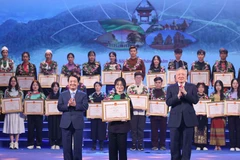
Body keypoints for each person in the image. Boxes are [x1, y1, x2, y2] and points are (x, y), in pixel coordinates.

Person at [166, 68, 199, 160]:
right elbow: (168, 102)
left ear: (186, 76)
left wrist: (185, 93)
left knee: (187, 144)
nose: (181, 76)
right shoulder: (171, 88)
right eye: (179, 75)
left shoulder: (192, 87)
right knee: (174, 144)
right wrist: (177, 97)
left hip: (188, 119)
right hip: (175, 120)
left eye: (183, 75)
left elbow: (195, 100)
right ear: (176, 77)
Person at [57, 75, 88, 160]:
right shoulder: (63, 94)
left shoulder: (83, 94)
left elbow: (85, 107)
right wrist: (67, 105)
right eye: (71, 81)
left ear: (78, 83)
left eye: (74, 81)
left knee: (78, 147)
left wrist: (75, 105)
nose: (72, 83)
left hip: (78, 123)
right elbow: (59, 107)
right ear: (68, 83)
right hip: (65, 123)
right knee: (66, 147)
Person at [107, 77, 133, 160]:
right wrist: (107, 117)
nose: (119, 86)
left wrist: (127, 118)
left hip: (122, 127)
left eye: (121, 85)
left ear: (124, 86)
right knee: (112, 150)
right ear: (115, 86)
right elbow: (105, 110)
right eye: (117, 85)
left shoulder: (127, 98)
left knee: (122, 150)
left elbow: (131, 112)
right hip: (112, 127)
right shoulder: (110, 97)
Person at [127, 72, 148, 151]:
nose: (138, 79)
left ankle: (140, 144)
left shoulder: (145, 88)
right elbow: (128, 99)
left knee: (140, 129)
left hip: (142, 112)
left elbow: (147, 100)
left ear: (142, 78)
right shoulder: (130, 88)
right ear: (134, 78)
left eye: (140, 78)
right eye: (137, 78)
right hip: (133, 112)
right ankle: (133, 144)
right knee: (133, 129)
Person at [3, 76, 25, 149]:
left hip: (18, 112)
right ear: (10, 82)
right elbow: (5, 101)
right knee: (11, 127)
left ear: (16, 82)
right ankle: (11, 142)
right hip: (10, 112)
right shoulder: (6, 91)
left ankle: (16, 142)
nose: (13, 82)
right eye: (12, 81)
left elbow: (22, 102)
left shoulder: (20, 91)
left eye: (14, 81)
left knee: (17, 127)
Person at [25, 80, 46, 149]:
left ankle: (38, 143)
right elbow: (24, 104)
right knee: (30, 129)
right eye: (33, 85)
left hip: (39, 115)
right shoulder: (28, 95)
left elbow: (45, 104)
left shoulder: (42, 95)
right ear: (31, 86)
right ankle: (30, 143)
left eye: (36, 85)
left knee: (39, 129)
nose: (35, 86)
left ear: (38, 86)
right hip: (30, 115)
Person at [149, 77, 167, 151]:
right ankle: (155, 145)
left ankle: (162, 145)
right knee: (154, 130)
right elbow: (148, 102)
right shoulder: (151, 92)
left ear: (161, 83)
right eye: (156, 82)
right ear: (154, 83)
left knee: (163, 130)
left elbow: (168, 103)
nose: (158, 84)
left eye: (159, 82)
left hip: (163, 114)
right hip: (153, 114)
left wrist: (166, 112)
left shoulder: (165, 92)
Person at [88, 82, 107, 151]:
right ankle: (94, 145)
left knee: (101, 131)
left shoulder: (104, 95)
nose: (97, 87)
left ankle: (101, 145)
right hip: (94, 116)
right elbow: (89, 106)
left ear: (101, 87)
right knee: (94, 130)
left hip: (101, 116)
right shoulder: (91, 96)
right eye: (96, 86)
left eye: (98, 86)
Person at [209, 80, 226, 150]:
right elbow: (210, 105)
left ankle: (220, 145)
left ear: (221, 87)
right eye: (216, 85)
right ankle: (216, 145)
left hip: (221, 116)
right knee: (215, 131)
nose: (218, 87)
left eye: (219, 85)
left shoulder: (224, 96)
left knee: (220, 131)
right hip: (214, 116)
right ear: (214, 86)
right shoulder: (212, 95)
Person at [225, 78, 240, 151]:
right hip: (230, 114)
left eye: (236, 83)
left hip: (238, 114)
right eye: (234, 83)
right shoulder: (228, 93)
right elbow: (225, 102)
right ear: (231, 84)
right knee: (231, 130)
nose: (235, 85)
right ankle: (232, 145)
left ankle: (238, 145)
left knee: (238, 130)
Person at [0, 46, 14, 121]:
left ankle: (8, 116)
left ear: (8, 53)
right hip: (0, 85)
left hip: (8, 85)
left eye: (6, 52)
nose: (5, 54)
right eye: (3, 52)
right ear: (1, 53)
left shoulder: (11, 62)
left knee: (8, 99)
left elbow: (13, 73)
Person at [46, 82, 62, 150]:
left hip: (59, 115)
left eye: (57, 86)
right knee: (51, 128)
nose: (55, 88)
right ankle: (52, 143)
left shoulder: (61, 96)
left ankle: (58, 143)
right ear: (52, 88)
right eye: (54, 86)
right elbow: (46, 105)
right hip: (51, 115)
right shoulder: (49, 96)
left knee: (59, 129)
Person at [194, 83, 209, 151]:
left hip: (204, 115)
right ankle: (197, 145)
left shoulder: (206, 97)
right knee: (197, 130)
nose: (201, 89)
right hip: (196, 115)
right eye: (199, 87)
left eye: (202, 87)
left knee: (204, 129)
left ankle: (204, 145)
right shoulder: (194, 96)